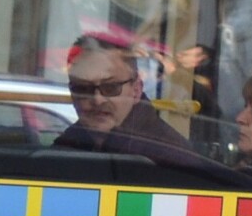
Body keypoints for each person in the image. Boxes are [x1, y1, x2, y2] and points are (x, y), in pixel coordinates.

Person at [55, 35, 197, 158]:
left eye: (111, 87)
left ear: (136, 90)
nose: (97, 100)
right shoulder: (66, 147)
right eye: (83, 88)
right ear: (72, 93)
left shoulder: (168, 157)